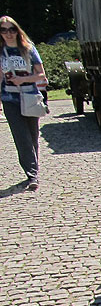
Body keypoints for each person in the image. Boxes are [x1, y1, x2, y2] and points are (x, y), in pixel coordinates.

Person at [1, 16, 46, 191]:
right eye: (3, 30)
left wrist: (24, 79)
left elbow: (41, 75)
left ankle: (34, 169)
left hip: (30, 97)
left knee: (33, 137)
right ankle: (32, 175)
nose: (8, 33)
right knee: (22, 138)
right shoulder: (1, 51)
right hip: (9, 100)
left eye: (11, 29)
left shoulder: (28, 49)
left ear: (17, 30)